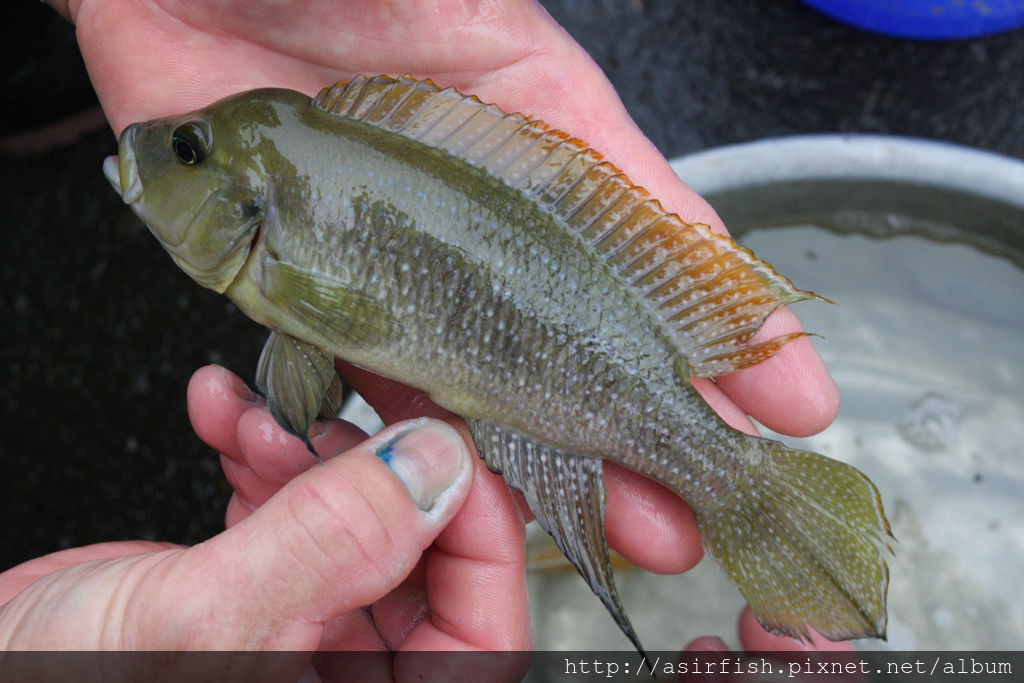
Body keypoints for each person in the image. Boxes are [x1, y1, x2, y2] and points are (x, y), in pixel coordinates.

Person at [0, 0, 846, 675]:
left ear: (252, 209)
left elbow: (323, 338)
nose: (161, 148)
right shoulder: (293, 193)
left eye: (189, 150)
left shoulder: (283, 255)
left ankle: (739, 484)